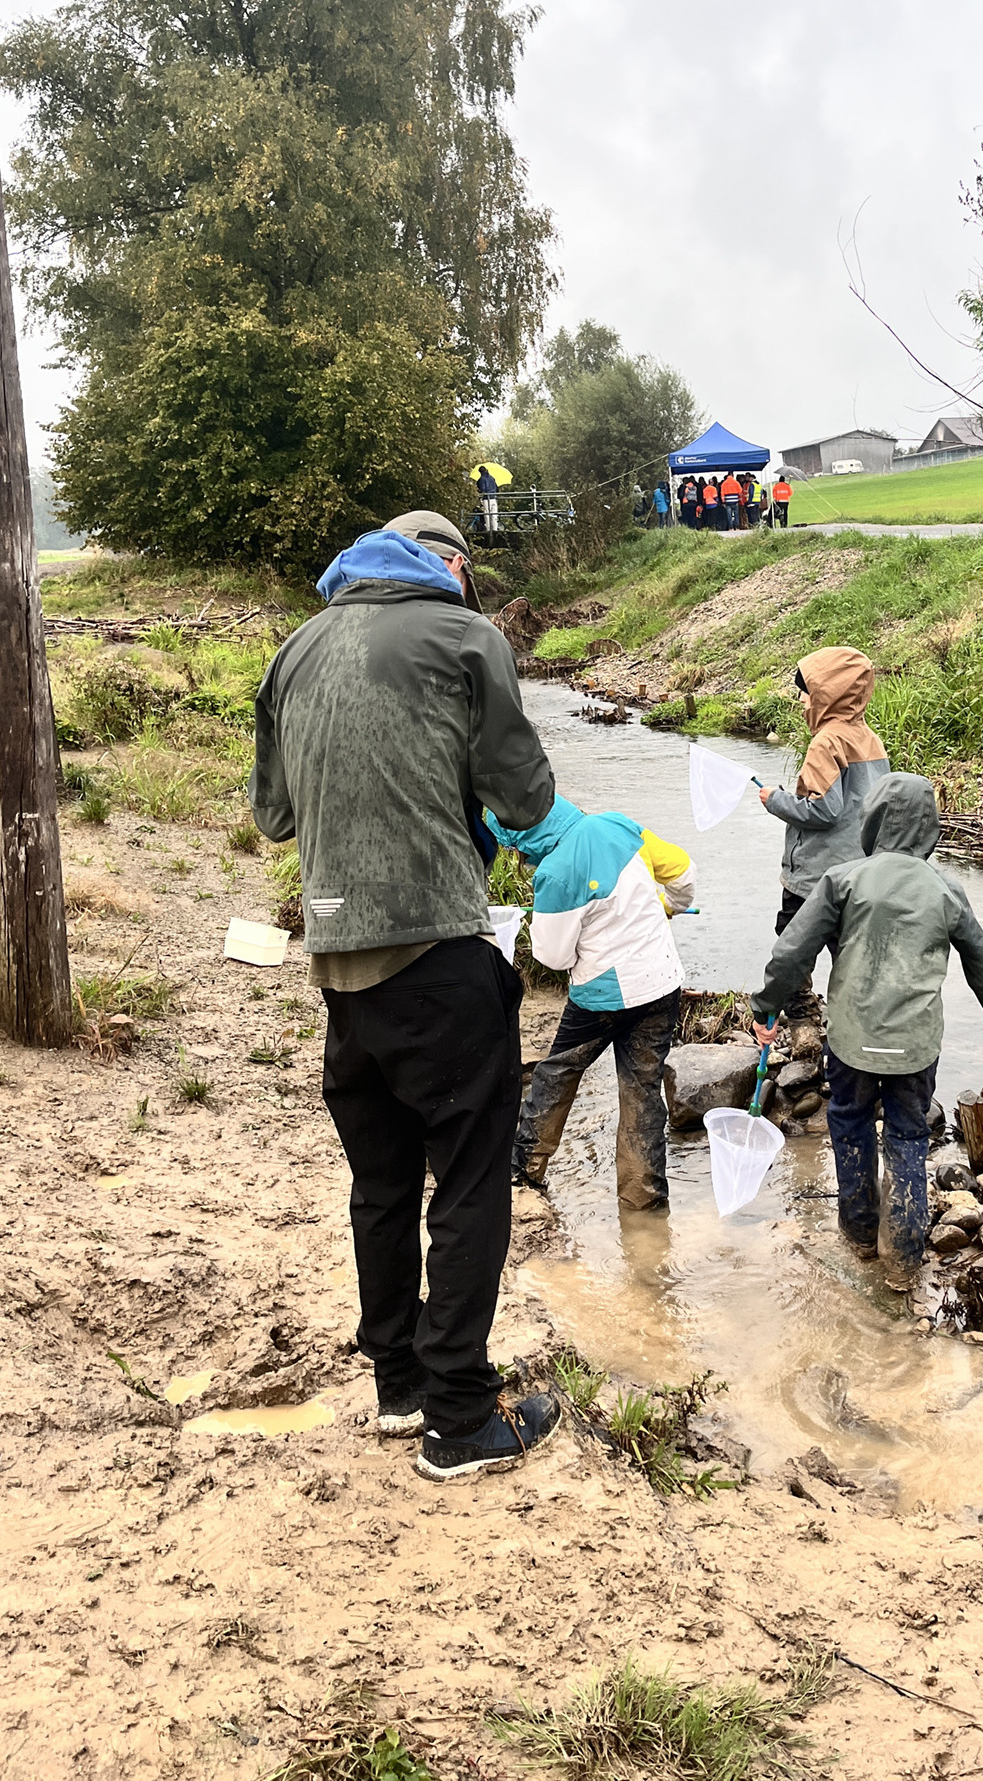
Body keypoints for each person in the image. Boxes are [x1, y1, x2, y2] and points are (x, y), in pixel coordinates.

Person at [249, 509, 563, 1482]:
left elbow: (273, 816)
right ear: (454, 569)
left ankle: (401, 1386)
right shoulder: (466, 634)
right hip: (438, 952)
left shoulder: (295, 651)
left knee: (380, 1184)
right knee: (469, 1181)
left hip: (339, 970)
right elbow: (529, 799)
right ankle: (460, 1418)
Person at [750, 773, 983, 1293]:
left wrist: (766, 1008)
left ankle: (858, 1234)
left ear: (871, 820)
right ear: (929, 826)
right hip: (915, 1044)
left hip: (852, 1039)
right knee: (908, 1135)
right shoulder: (945, 887)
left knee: (849, 1122)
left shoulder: (843, 879)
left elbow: (792, 951)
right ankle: (903, 1258)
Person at [487, 797, 696, 1210]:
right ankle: (643, 1204)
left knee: (558, 1072)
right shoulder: (619, 824)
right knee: (642, 1090)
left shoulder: (555, 872)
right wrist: (669, 906)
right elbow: (684, 872)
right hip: (661, 982)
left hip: (604, 997)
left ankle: (524, 1170)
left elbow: (553, 957)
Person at [758, 647, 889, 1059]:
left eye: (806, 692)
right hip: (860, 874)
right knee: (849, 952)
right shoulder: (868, 737)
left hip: (814, 877)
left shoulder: (826, 741)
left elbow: (822, 811)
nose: (801, 701)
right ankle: (856, 1032)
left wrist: (775, 799)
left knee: (793, 947)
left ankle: (804, 1027)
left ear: (826, 694)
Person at [476, 465, 499, 539]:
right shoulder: (492, 478)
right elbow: (497, 488)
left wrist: (478, 490)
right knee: (494, 514)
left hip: (486, 498)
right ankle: (495, 529)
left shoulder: (482, 479)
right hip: (493, 498)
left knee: (487, 514)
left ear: (480, 472)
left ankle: (488, 530)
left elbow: (482, 489)